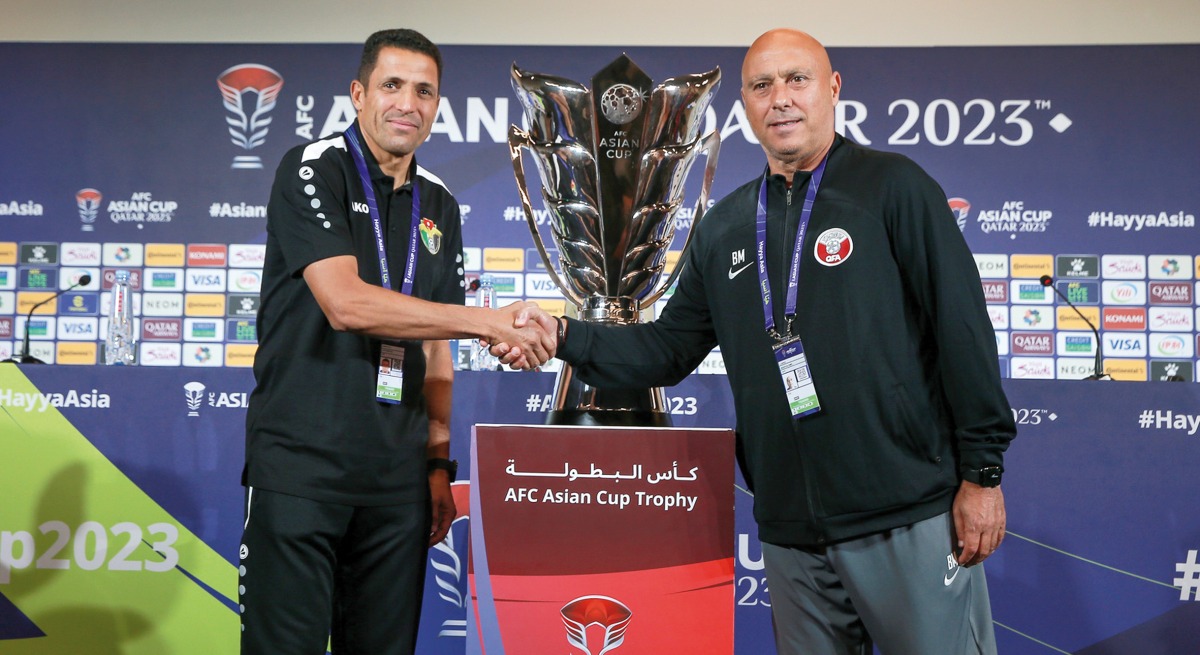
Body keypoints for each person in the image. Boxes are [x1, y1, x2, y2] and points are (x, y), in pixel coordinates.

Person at [500, 28, 1014, 655]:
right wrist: (563, 334)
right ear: (744, 105)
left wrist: (982, 474)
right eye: (762, 86)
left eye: (797, 80)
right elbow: (667, 350)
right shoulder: (727, 226)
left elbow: (962, 326)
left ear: (832, 89)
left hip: (904, 515)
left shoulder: (894, 188)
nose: (782, 99)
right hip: (791, 531)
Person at [240, 28, 553, 655]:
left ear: (438, 106)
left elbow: (436, 348)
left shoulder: (440, 203)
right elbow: (345, 303)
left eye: (424, 91)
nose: (407, 103)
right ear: (359, 94)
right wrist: (487, 322)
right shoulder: (312, 169)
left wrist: (436, 465)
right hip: (302, 470)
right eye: (392, 86)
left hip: (396, 483)